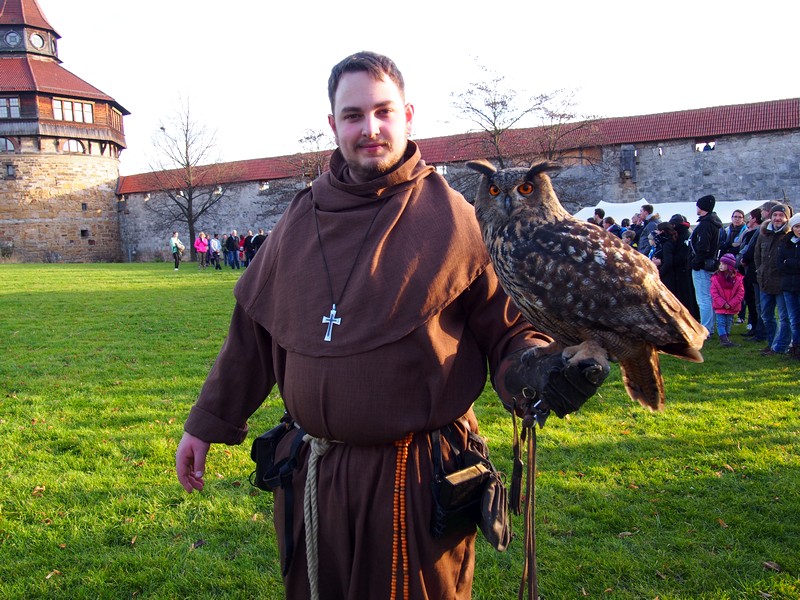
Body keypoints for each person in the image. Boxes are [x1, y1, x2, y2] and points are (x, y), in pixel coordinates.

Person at [175, 51, 607, 600]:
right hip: (317, 479)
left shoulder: (457, 220)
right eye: (353, 115)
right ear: (333, 125)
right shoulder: (297, 219)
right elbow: (252, 339)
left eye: (383, 112)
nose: (370, 128)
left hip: (415, 482)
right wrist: (206, 424)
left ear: (408, 114)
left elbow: (510, 331)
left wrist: (539, 368)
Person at [756, 204, 793, 355]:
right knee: (766, 316)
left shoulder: (789, 236)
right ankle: (771, 343)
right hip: (764, 282)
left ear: (786, 218)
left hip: (781, 283)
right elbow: (757, 256)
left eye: (781, 215)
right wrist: (760, 272)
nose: (778, 218)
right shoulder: (763, 234)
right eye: (775, 215)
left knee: (784, 317)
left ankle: (781, 347)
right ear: (770, 216)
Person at [688, 194, 723, 339]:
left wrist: (695, 262)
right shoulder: (712, 223)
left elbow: (703, 247)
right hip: (709, 263)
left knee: (703, 298)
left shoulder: (706, 225)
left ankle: (706, 329)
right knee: (707, 297)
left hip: (702, 265)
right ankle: (709, 327)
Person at [653, 218, 698, 318]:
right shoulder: (679, 237)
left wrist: (660, 271)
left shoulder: (668, 243)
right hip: (678, 272)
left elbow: (671, 260)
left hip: (674, 273)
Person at [737, 209, 764, 339]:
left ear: (754, 219)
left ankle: (757, 327)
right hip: (748, 269)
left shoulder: (755, 233)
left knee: (753, 301)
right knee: (752, 300)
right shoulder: (750, 233)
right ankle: (754, 326)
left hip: (751, 269)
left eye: (750, 217)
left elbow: (749, 250)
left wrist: (744, 258)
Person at [778, 213, 800, 359]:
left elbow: (787, 263)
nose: (799, 229)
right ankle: (796, 347)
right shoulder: (786, 242)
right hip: (788, 287)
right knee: (794, 319)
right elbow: (779, 264)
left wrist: (789, 262)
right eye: (797, 226)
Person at [711, 253, 745, 347]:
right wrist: (723, 303)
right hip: (720, 306)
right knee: (721, 322)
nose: (720, 266)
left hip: (731, 306)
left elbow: (740, 293)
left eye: (723, 264)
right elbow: (714, 293)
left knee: (729, 322)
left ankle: (726, 337)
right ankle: (724, 339)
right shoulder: (716, 278)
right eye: (720, 264)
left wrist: (731, 304)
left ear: (729, 266)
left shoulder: (737, 279)